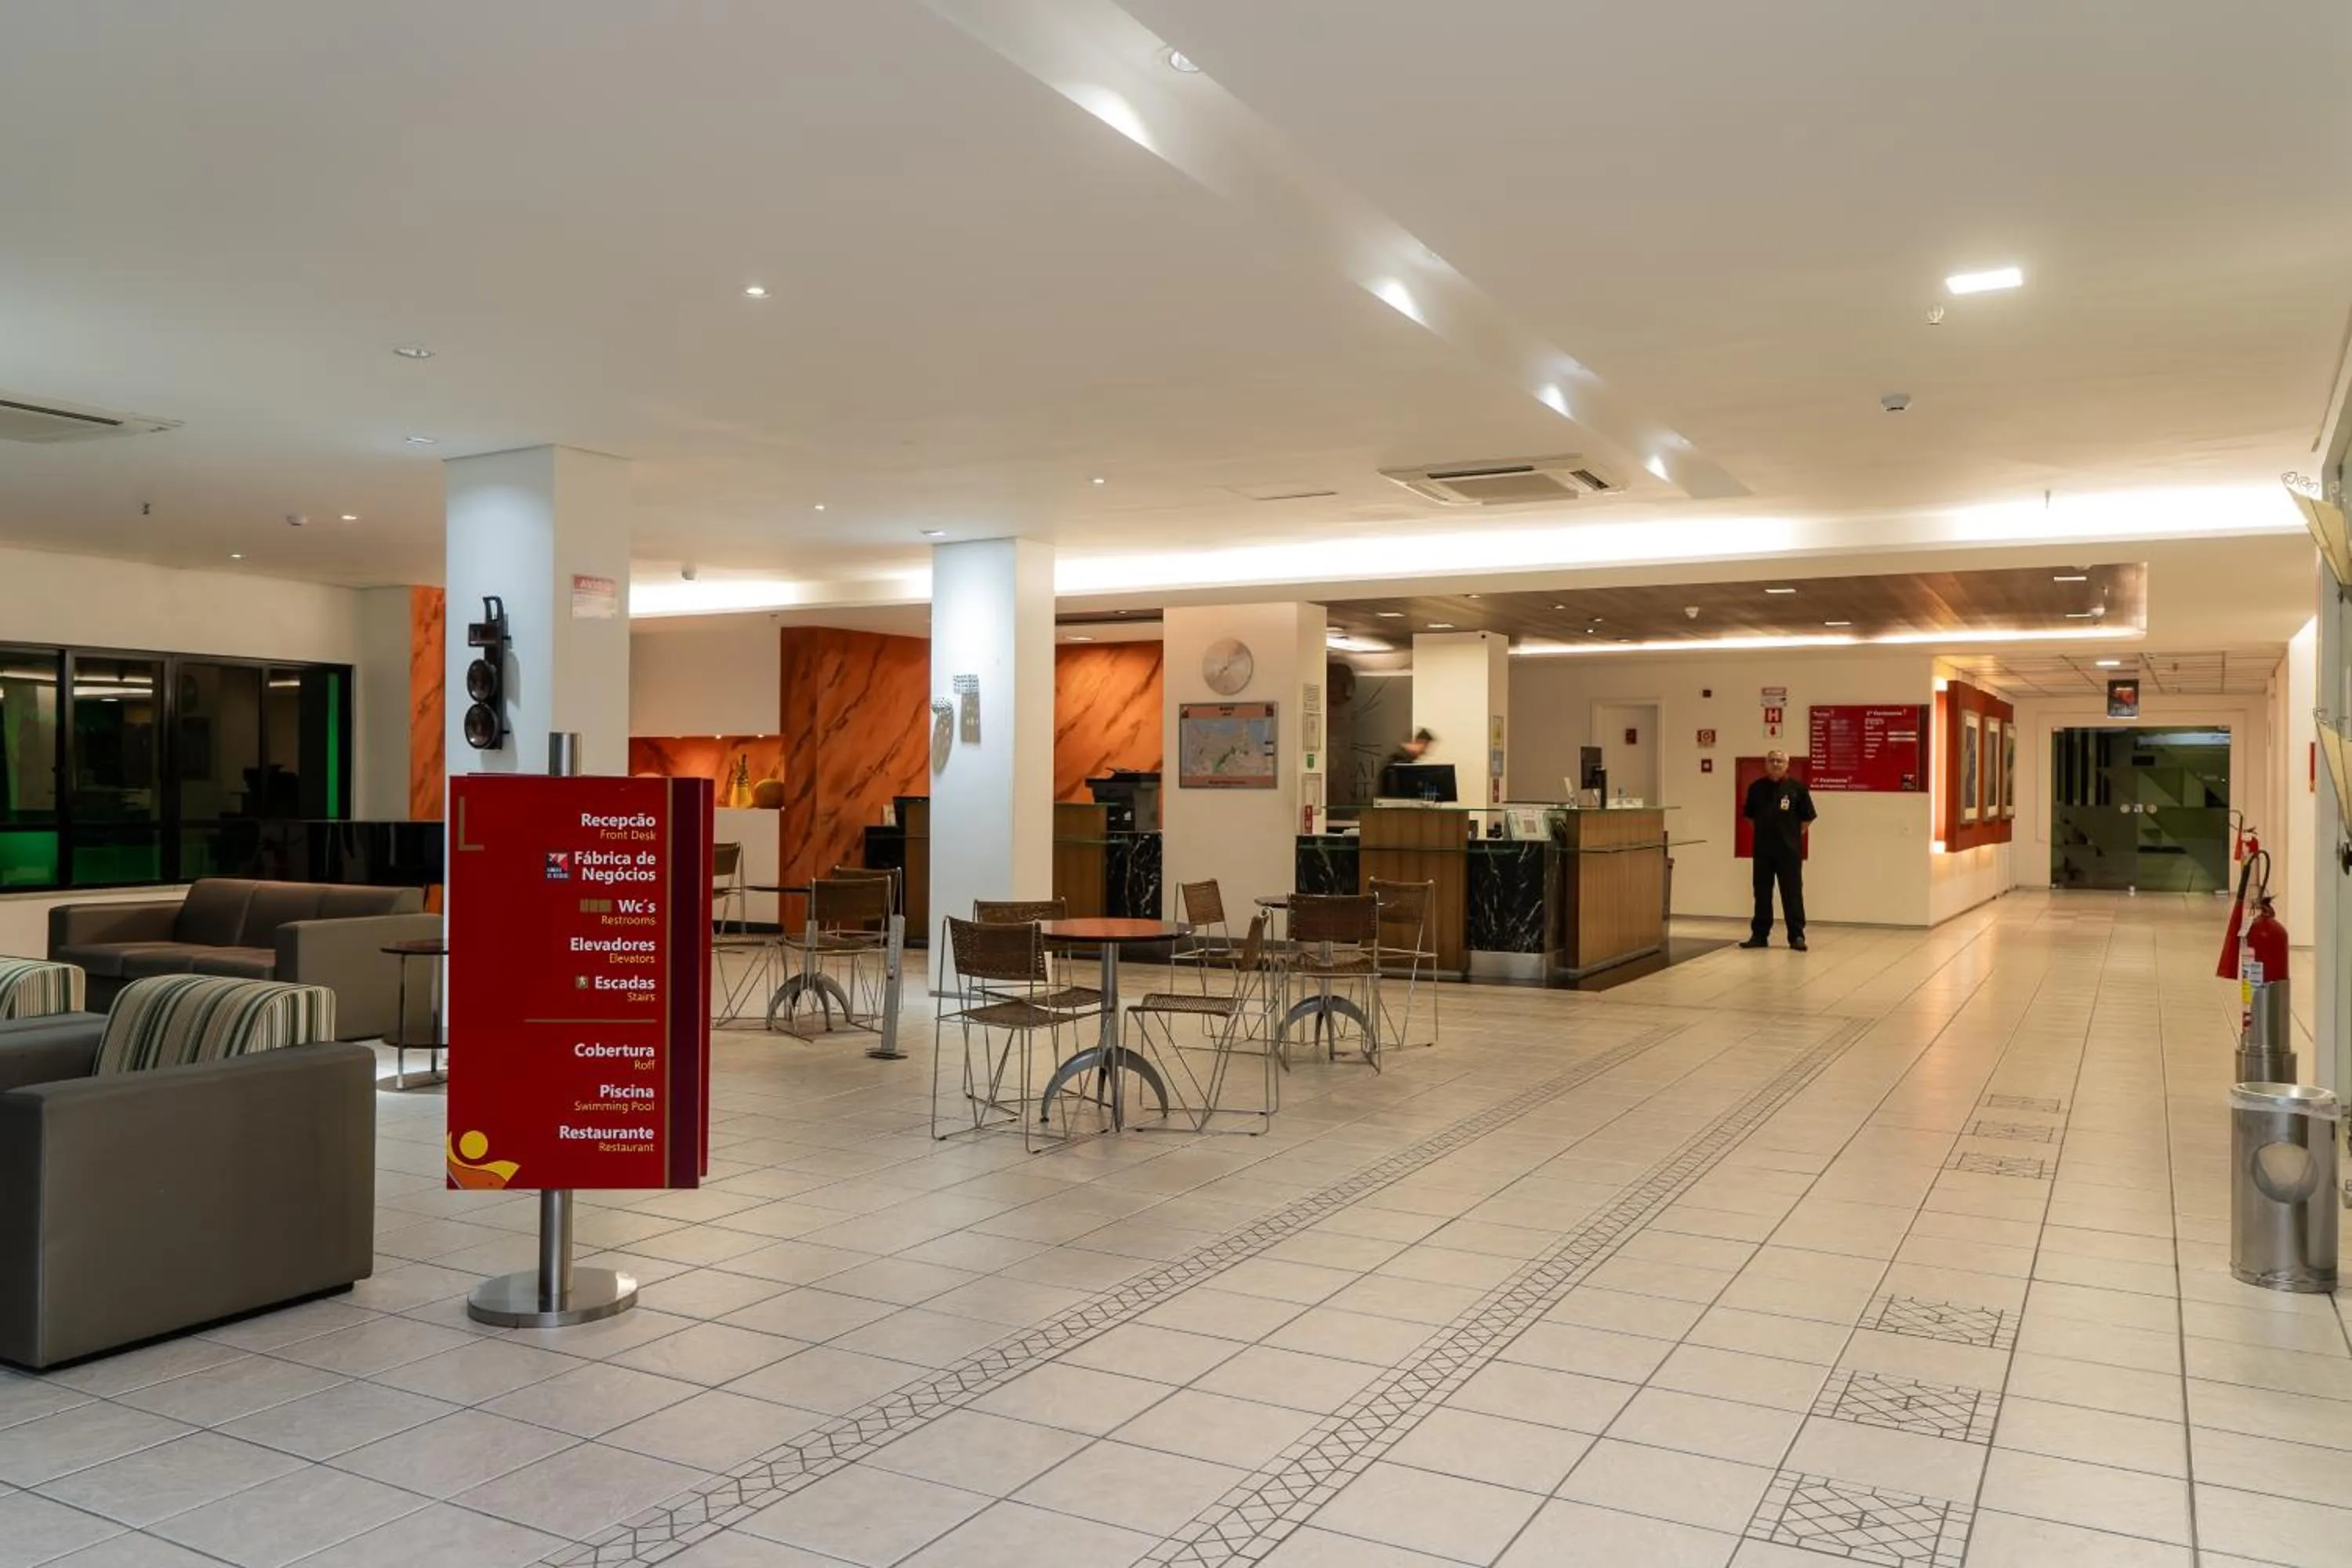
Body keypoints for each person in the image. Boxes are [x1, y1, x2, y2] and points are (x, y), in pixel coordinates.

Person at [1742, 750, 1816, 950]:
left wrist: (1791, 836)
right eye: (1772, 760)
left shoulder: (1797, 789)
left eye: (1780, 761)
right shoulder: (1756, 788)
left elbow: (1807, 818)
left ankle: (1796, 936)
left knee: (1792, 894)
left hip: (1789, 852)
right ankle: (1759, 935)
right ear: (1766, 764)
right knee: (1762, 893)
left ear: (1787, 765)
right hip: (1763, 852)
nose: (1776, 764)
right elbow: (1749, 817)